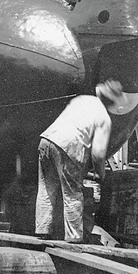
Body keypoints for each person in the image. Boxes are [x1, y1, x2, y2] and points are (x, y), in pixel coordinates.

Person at [35, 80, 125, 243]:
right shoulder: (104, 117)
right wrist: (102, 174)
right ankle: (74, 239)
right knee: (73, 193)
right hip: (69, 146)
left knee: (47, 189)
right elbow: (98, 154)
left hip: (46, 140)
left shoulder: (81, 100)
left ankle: (42, 231)